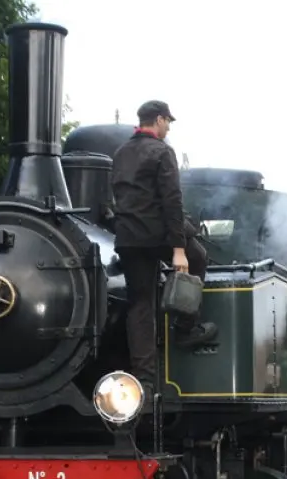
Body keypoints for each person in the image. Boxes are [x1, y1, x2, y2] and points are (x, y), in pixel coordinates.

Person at [110, 100, 218, 397]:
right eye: (167, 122)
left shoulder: (120, 153)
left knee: (139, 305)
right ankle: (185, 328)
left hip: (128, 238)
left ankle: (143, 379)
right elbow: (172, 202)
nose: (168, 127)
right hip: (156, 233)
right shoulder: (162, 151)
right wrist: (178, 248)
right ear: (158, 120)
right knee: (199, 258)